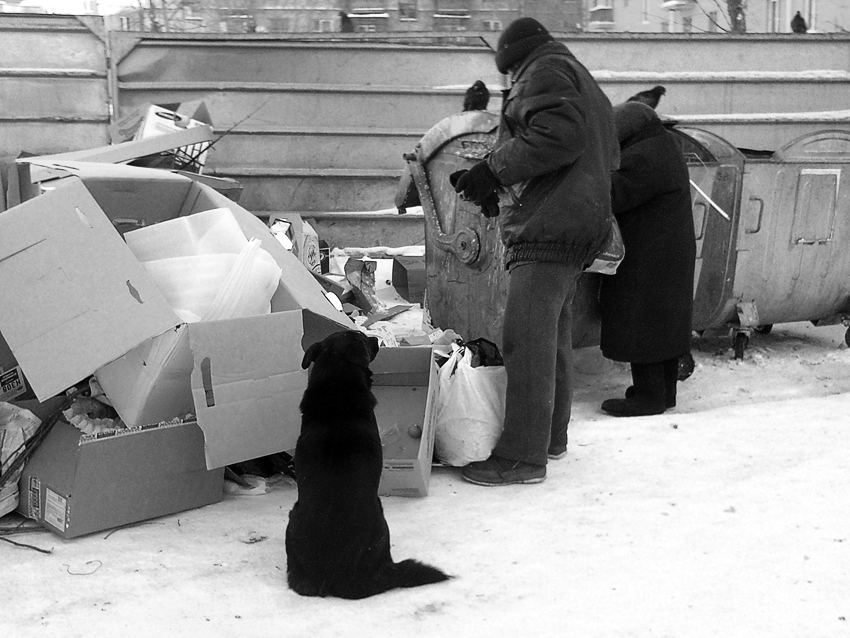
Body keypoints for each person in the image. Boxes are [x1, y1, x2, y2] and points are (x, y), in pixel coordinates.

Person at [451, 17, 619, 486]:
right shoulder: (575, 75)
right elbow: (582, 148)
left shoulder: (542, 72)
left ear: (511, 61)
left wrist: (494, 169)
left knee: (525, 338)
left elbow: (559, 138)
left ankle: (522, 456)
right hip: (577, 221)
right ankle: (549, 438)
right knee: (551, 334)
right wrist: (493, 181)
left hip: (553, 224)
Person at [598, 101, 696, 417]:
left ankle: (648, 397)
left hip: (649, 256)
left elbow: (613, 195)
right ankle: (664, 392)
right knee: (663, 325)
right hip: (666, 251)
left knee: (644, 323)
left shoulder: (642, 156)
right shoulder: (664, 144)